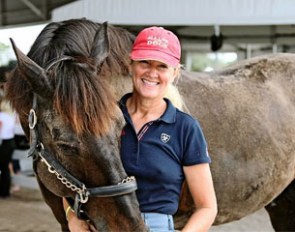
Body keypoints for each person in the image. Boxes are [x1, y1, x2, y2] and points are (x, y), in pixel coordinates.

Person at [64, 26, 217, 232]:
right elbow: (66, 175)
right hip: (104, 224)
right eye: (144, 62)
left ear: (175, 73)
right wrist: (71, 217)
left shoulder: (185, 128)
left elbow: (207, 207)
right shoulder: (102, 119)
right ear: (131, 64)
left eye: (162, 66)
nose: (152, 73)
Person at [0, 83, 16, 198]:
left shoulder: (1, 116)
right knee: (5, 168)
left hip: (3, 143)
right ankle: (5, 191)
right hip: (10, 142)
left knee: (3, 168)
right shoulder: (11, 115)